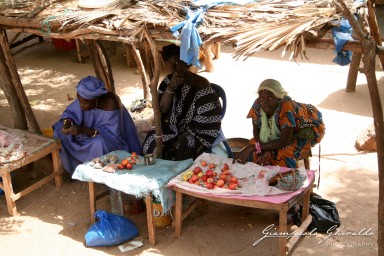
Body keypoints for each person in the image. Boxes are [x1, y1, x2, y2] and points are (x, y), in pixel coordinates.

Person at [142, 44, 222, 160]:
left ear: (188, 63)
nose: (173, 67)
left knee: (181, 149)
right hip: (174, 127)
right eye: (170, 63)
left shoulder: (200, 85)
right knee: (151, 143)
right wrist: (170, 87)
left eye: (177, 63)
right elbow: (161, 110)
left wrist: (184, 133)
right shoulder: (168, 80)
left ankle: (177, 176)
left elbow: (208, 119)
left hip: (197, 131)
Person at [53, 76, 141, 176]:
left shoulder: (111, 102)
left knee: (100, 143)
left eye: (84, 103)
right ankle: (73, 166)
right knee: (59, 128)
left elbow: (112, 135)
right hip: (85, 132)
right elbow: (70, 113)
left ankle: (100, 171)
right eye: (79, 101)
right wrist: (67, 123)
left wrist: (84, 130)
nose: (81, 105)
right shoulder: (84, 97)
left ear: (95, 100)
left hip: (110, 139)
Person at [233, 79, 325, 168]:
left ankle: (282, 180)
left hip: (301, 132)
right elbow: (256, 130)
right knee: (253, 150)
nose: (265, 102)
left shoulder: (286, 108)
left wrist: (256, 147)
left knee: (284, 154)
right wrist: (261, 148)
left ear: (278, 98)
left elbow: (285, 141)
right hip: (278, 134)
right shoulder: (257, 105)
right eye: (262, 98)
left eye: (270, 98)